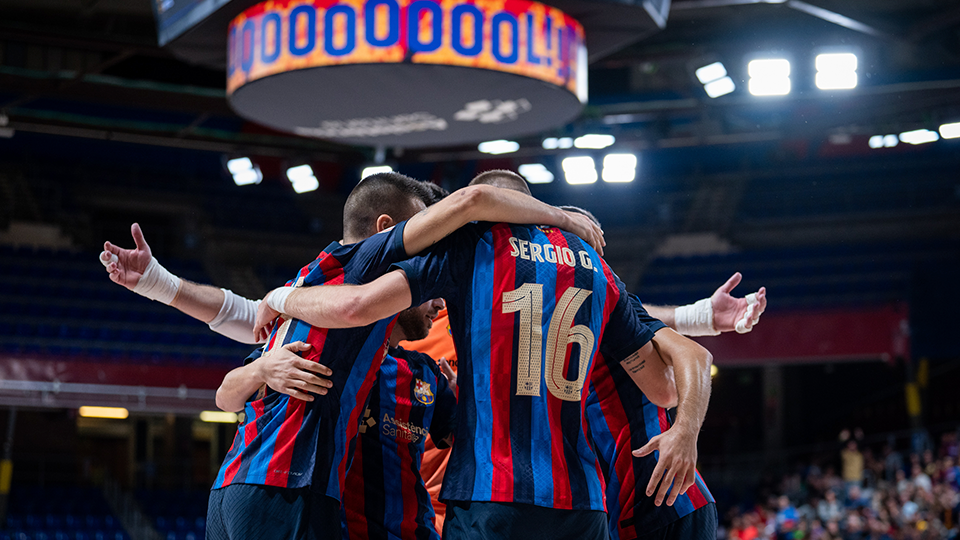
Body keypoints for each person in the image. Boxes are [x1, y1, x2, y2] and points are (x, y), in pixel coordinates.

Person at [101, 172, 603, 540]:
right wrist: (564, 220)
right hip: (290, 486)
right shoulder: (369, 266)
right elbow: (472, 201)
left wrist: (155, 283)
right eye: (423, 226)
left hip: (231, 489)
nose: (432, 248)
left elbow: (242, 314)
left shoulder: (311, 278)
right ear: (386, 227)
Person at [253, 170, 714, 540]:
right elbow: (663, 387)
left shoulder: (469, 249)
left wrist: (281, 296)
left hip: (491, 495)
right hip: (582, 502)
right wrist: (687, 424)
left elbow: (358, 305)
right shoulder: (597, 268)